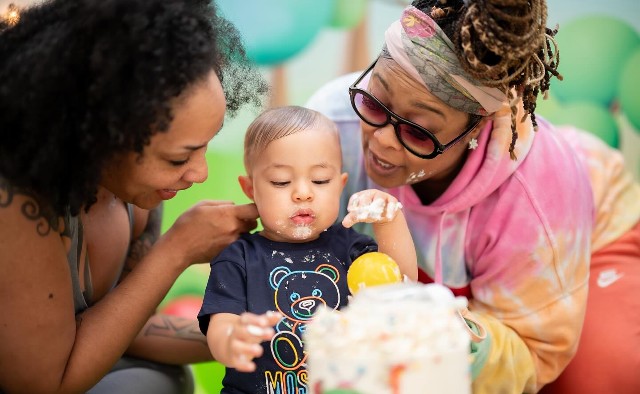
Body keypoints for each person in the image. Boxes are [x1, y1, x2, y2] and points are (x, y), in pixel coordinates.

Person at [305, 0, 640, 393]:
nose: (379, 140)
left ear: (477, 131)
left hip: (589, 239)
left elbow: (534, 350)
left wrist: (445, 334)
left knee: (597, 377)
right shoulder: (327, 126)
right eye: (374, 102)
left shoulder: (538, 198)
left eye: (417, 131)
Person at [0, 0, 268, 393]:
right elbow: (44, 384)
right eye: (179, 157)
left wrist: (248, 334)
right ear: (100, 135)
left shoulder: (135, 194)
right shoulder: (17, 202)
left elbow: (126, 324)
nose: (200, 173)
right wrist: (176, 250)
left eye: (204, 147)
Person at [197, 105, 418, 393]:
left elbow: (401, 290)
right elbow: (222, 323)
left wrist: (389, 221)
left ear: (340, 186)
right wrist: (231, 339)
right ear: (251, 189)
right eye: (281, 181)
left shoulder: (350, 249)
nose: (303, 192)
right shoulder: (239, 259)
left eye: (320, 180)